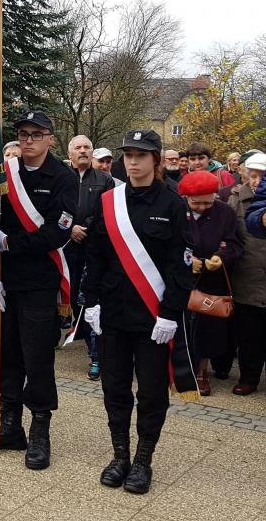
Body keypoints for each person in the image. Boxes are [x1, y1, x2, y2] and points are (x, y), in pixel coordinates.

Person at [82, 129, 193, 494]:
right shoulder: (108, 201)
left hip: (152, 315)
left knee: (151, 393)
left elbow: (181, 265)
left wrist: (170, 313)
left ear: (156, 161)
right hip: (113, 311)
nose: (132, 161)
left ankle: (144, 461)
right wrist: (91, 301)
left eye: (141, 155)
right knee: (114, 388)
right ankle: (119, 456)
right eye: (128, 154)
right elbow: (96, 255)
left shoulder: (173, 204)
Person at [0, 111, 78, 472]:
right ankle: (9, 425)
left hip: (37, 281)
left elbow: (57, 232)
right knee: (4, 354)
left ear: (51, 138)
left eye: (36, 134)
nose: (28, 139)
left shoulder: (63, 177)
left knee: (37, 358)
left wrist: (10, 243)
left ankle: (40, 431)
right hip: (2, 280)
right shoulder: (5, 174)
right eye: (22, 133)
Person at [179, 171, 243, 395]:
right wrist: (186, 260)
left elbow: (235, 244)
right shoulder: (175, 210)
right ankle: (179, 366)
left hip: (211, 283)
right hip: (180, 280)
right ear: (186, 197)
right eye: (197, 203)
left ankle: (201, 371)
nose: (203, 207)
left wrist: (221, 257)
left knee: (206, 329)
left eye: (209, 202)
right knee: (180, 325)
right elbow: (163, 243)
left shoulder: (224, 212)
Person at [65, 135, 115, 380]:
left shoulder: (105, 180)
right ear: (70, 152)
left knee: (92, 300)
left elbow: (106, 211)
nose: (82, 151)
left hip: (94, 248)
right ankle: (88, 343)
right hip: (67, 247)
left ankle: (97, 357)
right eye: (78, 147)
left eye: (87, 147)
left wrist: (83, 226)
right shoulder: (62, 177)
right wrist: (70, 227)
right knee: (75, 300)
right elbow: (54, 208)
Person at [227, 153, 266, 395]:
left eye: (262, 174)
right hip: (247, 277)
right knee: (249, 334)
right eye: (252, 173)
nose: (257, 179)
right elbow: (229, 236)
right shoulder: (235, 200)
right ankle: (248, 378)